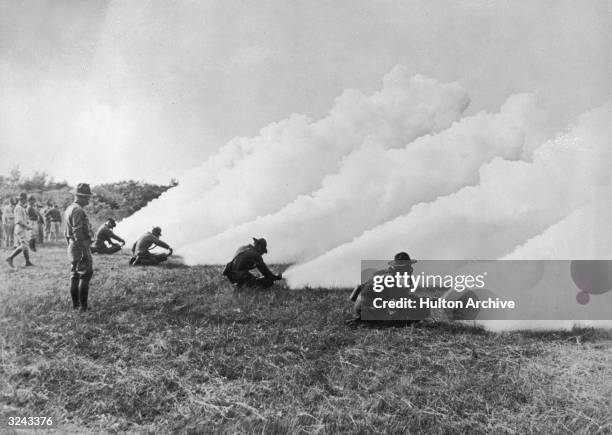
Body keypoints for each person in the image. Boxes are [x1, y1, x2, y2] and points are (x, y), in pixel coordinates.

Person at [347, 252, 426, 325]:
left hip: (359, 310)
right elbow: (403, 299)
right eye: (408, 267)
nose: (410, 269)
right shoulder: (390, 279)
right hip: (369, 313)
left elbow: (356, 292)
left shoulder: (380, 273)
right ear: (401, 268)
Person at [65, 183, 94, 311]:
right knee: (85, 275)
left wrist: (71, 246)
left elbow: (67, 233)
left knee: (75, 275)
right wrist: (83, 250)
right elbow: (77, 231)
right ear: (80, 197)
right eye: (87, 197)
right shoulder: (78, 210)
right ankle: (83, 307)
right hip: (80, 246)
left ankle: (76, 306)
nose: (88, 200)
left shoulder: (69, 208)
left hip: (73, 245)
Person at [5, 193, 33, 267]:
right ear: (22, 199)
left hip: (22, 228)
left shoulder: (21, 207)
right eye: (25, 199)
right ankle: (10, 258)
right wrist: (28, 226)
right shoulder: (19, 208)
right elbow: (19, 221)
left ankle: (28, 262)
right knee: (24, 245)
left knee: (25, 245)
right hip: (20, 228)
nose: (26, 200)